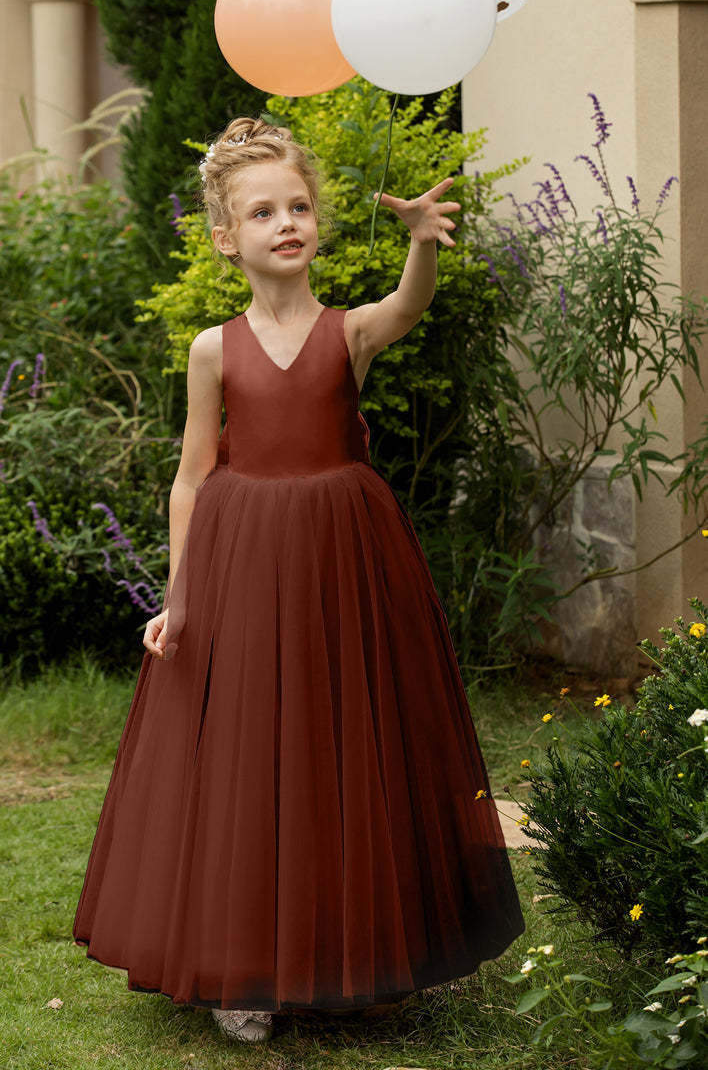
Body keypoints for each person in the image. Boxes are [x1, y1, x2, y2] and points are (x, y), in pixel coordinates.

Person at [74, 117, 524, 1044]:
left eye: (300, 206)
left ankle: (361, 957)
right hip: (241, 561)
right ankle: (245, 965)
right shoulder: (213, 349)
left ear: (317, 222)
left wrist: (418, 247)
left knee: (348, 744)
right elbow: (193, 475)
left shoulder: (348, 331)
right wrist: (179, 599)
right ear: (224, 238)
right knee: (248, 752)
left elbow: (409, 308)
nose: (287, 222)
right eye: (263, 211)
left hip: (343, 559)